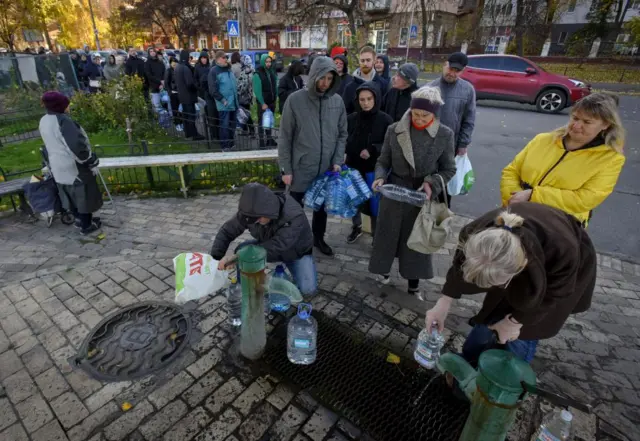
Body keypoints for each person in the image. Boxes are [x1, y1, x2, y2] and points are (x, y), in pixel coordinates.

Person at [424, 203, 596, 365]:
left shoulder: (562, 250)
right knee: (494, 312)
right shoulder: (474, 233)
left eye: (498, 284)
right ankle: (469, 361)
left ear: (521, 267)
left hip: (566, 262)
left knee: (525, 331)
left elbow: (552, 297)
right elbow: (459, 268)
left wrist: (515, 323)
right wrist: (443, 303)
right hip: (509, 258)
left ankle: (504, 374)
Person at [369, 86, 456, 298]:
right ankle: (383, 274)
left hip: (421, 197)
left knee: (416, 242)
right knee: (387, 238)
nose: (418, 118)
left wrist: (431, 183)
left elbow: (449, 169)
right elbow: (383, 160)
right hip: (394, 193)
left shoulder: (444, 134)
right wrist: (380, 176)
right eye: (415, 113)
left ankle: (413, 284)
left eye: (424, 115)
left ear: (434, 113)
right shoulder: (395, 130)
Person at [501, 92, 625, 228]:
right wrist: (515, 200)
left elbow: (586, 199)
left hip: (559, 223)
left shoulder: (611, 158)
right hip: (514, 212)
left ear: (606, 124)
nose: (576, 126)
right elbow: (511, 171)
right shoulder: (542, 140)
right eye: (575, 118)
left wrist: (533, 195)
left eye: (587, 122)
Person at [278, 57, 348, 256]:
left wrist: (336, 160)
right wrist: (286, 169)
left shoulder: (337, 102)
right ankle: (296, 242)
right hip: (300, 167)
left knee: (321, 209)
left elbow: (342, 133)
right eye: (322, 78)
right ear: (314, 75)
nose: (325, 83)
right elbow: (285, 137)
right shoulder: (295, 100)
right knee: (294, 210)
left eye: (329, 79)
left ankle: (318, 238)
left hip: (326, 168)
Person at [210, 183, 317, 296]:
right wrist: (215, 260)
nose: (254, 222)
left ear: (269, 210)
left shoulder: (293, 216)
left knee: (308, 290)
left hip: (296, 252)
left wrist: (238, 258)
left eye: (257, 219)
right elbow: (227, 231)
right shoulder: (250, 212)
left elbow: (277, 246)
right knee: (242, 249)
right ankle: (244, 285)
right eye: (251, 219)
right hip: (268, 244)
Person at [38, 91, 103, 235]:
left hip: (56, 164)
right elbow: (75, 145)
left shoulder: (44, 120)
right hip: (73, 164)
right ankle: (86, 226)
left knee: (69, 193)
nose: (69, 107)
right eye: (67, 104)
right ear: (59, 105)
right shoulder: (63, 121)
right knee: (83, 193)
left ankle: (79, 219)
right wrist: (89, 159)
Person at [344, 81, 393, 243]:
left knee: (374, 204)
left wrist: (372, 149)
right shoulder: (351, 119)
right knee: (354, 201)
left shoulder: (385, 120)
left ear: (376, 99)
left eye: (369, 99)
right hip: (353, 167)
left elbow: (390, 145)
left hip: (374, 169)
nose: (365, 103)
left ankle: (376, 234)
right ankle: (356, 226)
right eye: (362, 99)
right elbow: (343, 139)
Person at [429, 52, 476, 208]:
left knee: (445, 185)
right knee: (427, 182)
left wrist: (463, 143)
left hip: (452, 147)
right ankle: (424, 215)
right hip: (429, 144)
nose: (452, 73)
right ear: (445, 65)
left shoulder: (467, 90)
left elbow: (469, 119)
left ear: (462, 71)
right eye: (451, 68)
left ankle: (443, 216)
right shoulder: (430, 88)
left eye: (457, 71)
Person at [209, 50, 239, 151]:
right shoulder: (214, 71)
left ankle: (231, 143)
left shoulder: (229, 69)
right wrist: (222, 100)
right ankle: (225, 146)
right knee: (224, 126)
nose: (225, 59)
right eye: (223, 57)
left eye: (226, 57)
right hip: (224, 104)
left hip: (233, 102)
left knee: (232, 125)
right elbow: (213, 89)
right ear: (217, 59)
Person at [174, 49, 203, 140]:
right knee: (191, 116)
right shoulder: (185, 68)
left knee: (186, 116)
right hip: (189, 96)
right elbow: (190, 83)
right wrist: (197, 88)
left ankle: (188, 133)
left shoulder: (177, 67)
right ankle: (194, 134)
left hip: (182, 96)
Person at [253, 53, 278, 148]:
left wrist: (275, 99)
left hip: (271, 101)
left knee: (269, 121)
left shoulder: (271, 72)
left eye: (270, 62)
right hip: (263, 103)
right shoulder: (258, 74)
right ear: (263, 62)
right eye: (266, 62)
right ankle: (261, 142)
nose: (268, 64)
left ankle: (269, 139)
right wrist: (262, 103)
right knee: (261, 123)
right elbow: (257, 90)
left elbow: (275, 86)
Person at [194, 51, 218, 140]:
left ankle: (213, 132)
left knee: (212, 114)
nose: (204, 60)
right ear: (200, 59)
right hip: (202, 93)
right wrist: (199, 87)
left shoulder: (210, 67)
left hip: (209, 92)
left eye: (205, 58)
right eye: (202, 58)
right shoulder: (197, 67)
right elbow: (195, 79)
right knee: (206, 113)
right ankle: (209, 130)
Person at [232, 53, 255, 136]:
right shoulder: (248, 69)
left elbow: (244, 85)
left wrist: (238, 91)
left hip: (244, 96)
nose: (240, 62)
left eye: (242, 60)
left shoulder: (247, 71)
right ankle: (246, 130)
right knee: (244, 113)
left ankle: (251, 131)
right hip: (247, 96)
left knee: (245, 113)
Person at [164, 56, 183, 132]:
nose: (174, 63)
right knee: (175, 110)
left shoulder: (179, 70)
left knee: (181, 109)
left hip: (181, 93)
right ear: (170, 63)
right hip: (173, 93)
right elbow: (166, 83)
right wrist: (170, 92)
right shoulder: (168, 71)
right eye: (172, 62)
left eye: (175, 61)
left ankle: (181, 122)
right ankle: (177, 124)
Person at [144, 47, 166, 112]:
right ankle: (158, 120)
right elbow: (149, 75)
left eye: (153, 51)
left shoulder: (160, 62)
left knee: (166, 104)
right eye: (150, 51)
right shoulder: (147, 63)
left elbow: (164, 72)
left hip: (163, 86)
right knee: (157, 106)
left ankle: (167, 120)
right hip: (154, 87)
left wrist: (163, 81)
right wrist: (160, 82)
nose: (152, 52)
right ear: (149, 53)